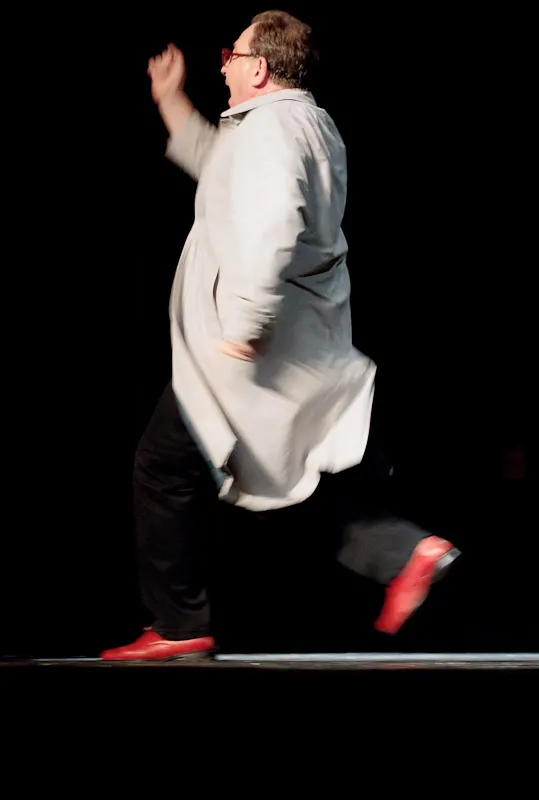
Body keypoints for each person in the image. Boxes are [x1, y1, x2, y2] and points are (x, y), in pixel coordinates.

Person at [101, 10, 459, 661]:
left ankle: (178, 625)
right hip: (288, 344)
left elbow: (273, 223)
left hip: (250, 348)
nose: (224, 66)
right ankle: (404, 551)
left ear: (260, 67)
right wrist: (172, 102)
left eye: (232, 55)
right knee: (283, 474)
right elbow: (220, 168)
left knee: (163, 465)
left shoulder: (271, 131)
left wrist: (246, 321)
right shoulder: (299, 123)